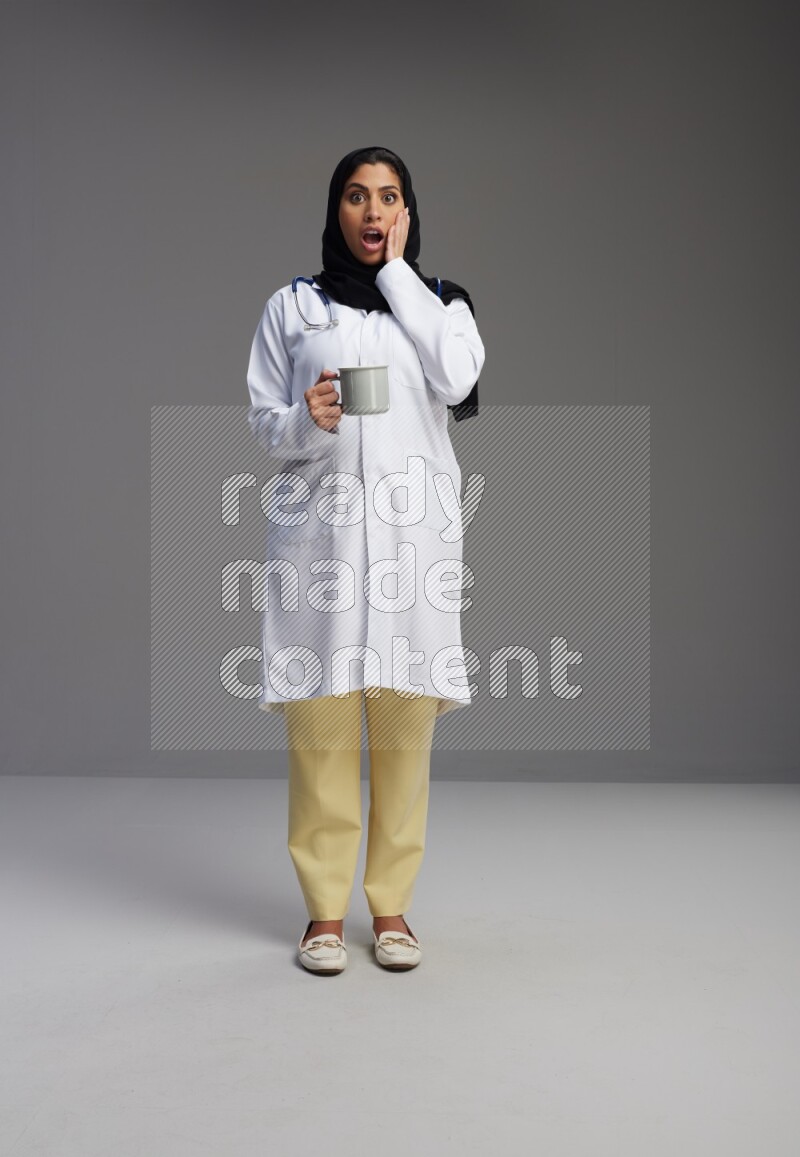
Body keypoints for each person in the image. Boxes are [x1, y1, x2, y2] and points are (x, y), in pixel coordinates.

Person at [246, 146, 486, 974]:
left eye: (388, 197)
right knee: (321, 728)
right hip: (324, 548)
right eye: (356, 196)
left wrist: (397, 280)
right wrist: (306, 420)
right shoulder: (293, 307)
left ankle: (390, 906)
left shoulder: (443, 306)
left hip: (411, 549)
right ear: (335, 210)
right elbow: (263, 422)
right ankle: (321, 912)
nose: (372, 211)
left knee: (402, 734)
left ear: (408, 212)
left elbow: (457, 380)